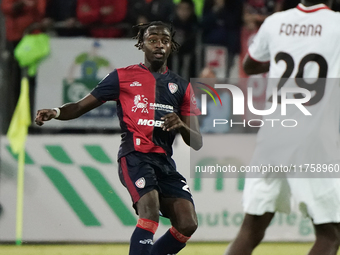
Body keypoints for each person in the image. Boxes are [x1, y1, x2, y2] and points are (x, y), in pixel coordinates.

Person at [35, 21, 202, 255]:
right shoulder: (122, 77)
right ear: (141, 44)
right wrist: (56, 112)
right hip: (135, 157)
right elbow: (81, 105)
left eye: (164, 40)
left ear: (171, 46)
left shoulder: (181, 87)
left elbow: (196, 141)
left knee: (187, 224)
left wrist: (182, 125)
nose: (159, 45)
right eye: (152, 39)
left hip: (164, 162)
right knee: (150, 209)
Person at [225, 1, 340, 255]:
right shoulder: (336, 24)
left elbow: (250, 66)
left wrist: (283, 56)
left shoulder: (276, 22)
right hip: (313, 137)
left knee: (251, 227)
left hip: (273, 134)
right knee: (330, 233)